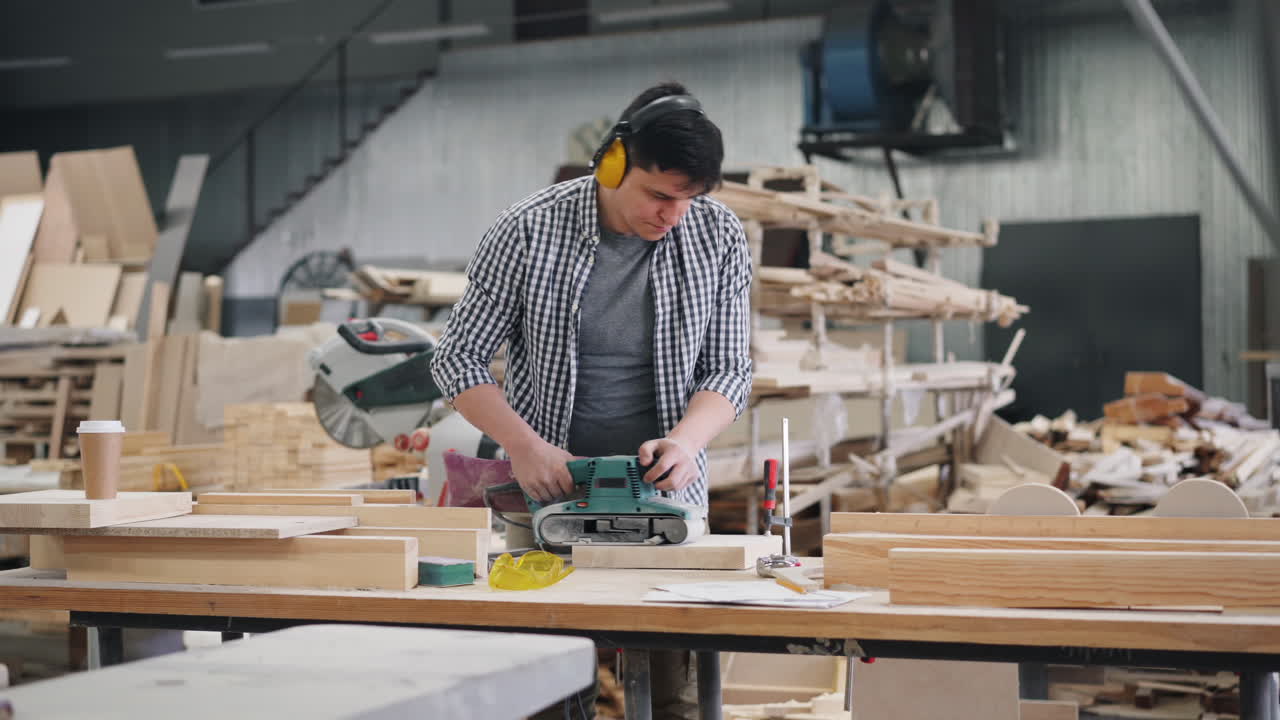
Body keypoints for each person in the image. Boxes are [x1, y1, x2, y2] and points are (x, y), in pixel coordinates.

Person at [430, 81, 752, 719]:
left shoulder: (717, 237)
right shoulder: (527, 232)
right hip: (545, 503)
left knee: (674, 701)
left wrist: (686, 442)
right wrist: (525, 446)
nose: (672, 215)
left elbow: (730, 368)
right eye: (658, 195)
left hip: (667, 505)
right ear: (613, 163)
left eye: (688, 199)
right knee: (545, 692)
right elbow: (456, 357)